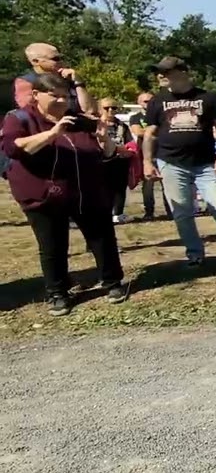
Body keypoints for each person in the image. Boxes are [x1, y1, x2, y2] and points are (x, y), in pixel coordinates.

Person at [1, 74, 127, 315]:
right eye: (54, 95)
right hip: (44, 194)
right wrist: (54, 132)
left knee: (102, 238)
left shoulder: (79, 121)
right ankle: (57, 293)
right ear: (36, 94)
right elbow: (14, 148)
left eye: (65, 96)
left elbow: (108, 154)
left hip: (86, 191)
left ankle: (112, 282)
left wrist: (104, 138)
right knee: (52, 245)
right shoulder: (19, 118)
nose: (61, 101)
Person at [141, 56, 216, 269]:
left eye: (166, 72)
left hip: (205, 163)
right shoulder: (158, 100)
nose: (161, 76)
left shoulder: (207, 97)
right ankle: (195, 254)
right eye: (160, 72)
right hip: (171, 163)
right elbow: (149, 133)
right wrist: (147, 162)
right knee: (182, 211)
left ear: (183, 73)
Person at [13, 43, 91, 114]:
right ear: (35, 61)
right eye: (55, 59)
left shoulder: (68, 78)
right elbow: (30, 110)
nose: (61, 61)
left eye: (61, 58)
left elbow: (90, 109)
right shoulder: (26, 82)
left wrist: (78, 82)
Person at [128, 91, 169, 220]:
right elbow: (138, 132)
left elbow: (168, 131)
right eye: (145, 101)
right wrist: (156, 130)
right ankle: (149, 212)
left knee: (167, 184)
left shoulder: (163, 115)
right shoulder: (136, 117)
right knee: (148, 185)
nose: (149, 103)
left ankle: (171, 211)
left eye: (151, 100)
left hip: (164, 152)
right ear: (139, 103)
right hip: (145, 154)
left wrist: (152, 131)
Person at [96, 98, 134, 223]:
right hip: (101, 161)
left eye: (114, 108)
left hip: (120, 161)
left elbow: (129, 143)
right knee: (102, 188)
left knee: (120, 188)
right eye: (107, 108)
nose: (111, 110)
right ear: (100, 108)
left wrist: (128, 151)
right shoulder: (96, 124)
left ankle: (118, 213)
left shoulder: (122, 125)